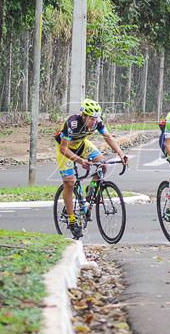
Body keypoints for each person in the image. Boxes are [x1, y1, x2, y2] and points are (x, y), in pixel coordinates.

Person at [55, 98, 129, 238]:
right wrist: (80, 161)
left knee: (103, 164)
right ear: (83, 116)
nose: (94, 121)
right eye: (91, 118)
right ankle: (71, 220)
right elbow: (64, 149)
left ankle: (91, 189)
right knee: (70, 182)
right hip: (66, 150)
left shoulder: (97, 123)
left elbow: (108, 137)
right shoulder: (73, 124)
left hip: (82, 144)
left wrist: (121, 154)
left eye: (96, 118)